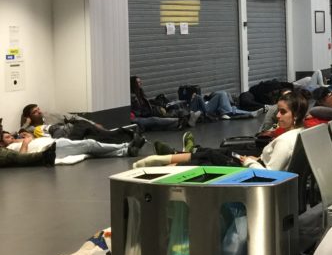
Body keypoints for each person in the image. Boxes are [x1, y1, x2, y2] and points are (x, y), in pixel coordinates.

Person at [135, 92, 308, 172]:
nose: (277, 116)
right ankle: (168, 159)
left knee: (210, 156)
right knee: (215, 153)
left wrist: (248, 161)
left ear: (297, 114)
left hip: (250, 172)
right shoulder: (298, 133)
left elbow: (269, 175)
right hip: (255, 164)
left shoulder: (286, 142)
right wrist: (256, 159)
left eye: (283, 112)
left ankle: (165, 162)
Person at [19, 104, 141, 145]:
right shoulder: (31, 128)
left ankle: (128, 138)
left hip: (75, 129)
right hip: (69, 135)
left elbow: (73, 117)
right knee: (96, 133)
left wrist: (93, 123)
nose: (39, 112)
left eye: (38, 109)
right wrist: (26, 124)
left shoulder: (51, 115)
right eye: (35, 112)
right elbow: (19, 134)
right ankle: (128, 136)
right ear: (29, 117)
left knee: (99, 134)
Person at [1, 129, 142, 162]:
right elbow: (22, 157)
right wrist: (25, 142)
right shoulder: (8, 149)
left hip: (54, 143)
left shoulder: (16, 141)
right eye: (8, 137)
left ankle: (125, 151)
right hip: (52, 148)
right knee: (89, 144)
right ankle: (126, 146)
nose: (12, 137)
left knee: (91, 150)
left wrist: (27, 138)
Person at [188, 88, 256, 122]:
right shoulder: (195, 100)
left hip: (209, 106)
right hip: (206, 109)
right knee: (223, 94)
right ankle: (250, 113)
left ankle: (251, 113)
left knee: (225, 98)